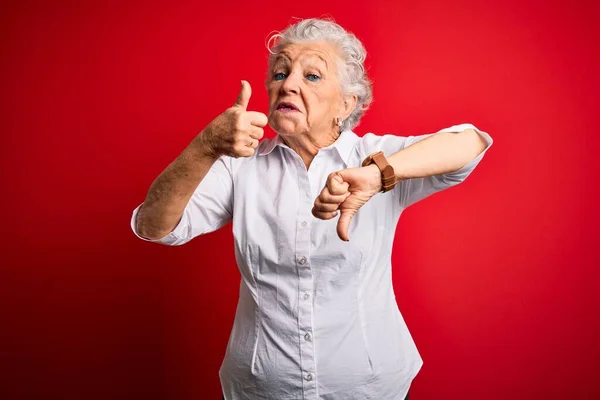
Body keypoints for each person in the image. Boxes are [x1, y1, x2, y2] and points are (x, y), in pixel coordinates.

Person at [130, 18, 492, 400]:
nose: (288, 84)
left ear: (347, 104)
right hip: (261, 389)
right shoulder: (240, 166)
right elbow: (154, 226)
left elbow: (470, 143)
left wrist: (377, 174)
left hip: (369, 388)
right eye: (280, 72)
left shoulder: (371, 156)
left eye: (313, 76)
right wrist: (205, 145)